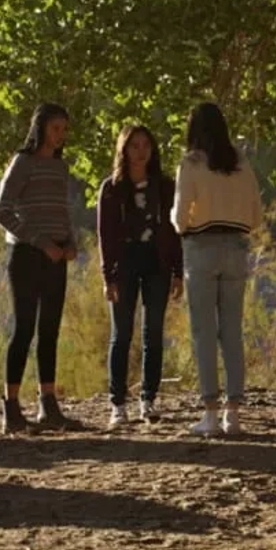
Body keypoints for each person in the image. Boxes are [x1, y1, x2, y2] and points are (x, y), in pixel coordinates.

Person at [172, 102, 263, 437]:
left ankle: (210, 412)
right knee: (232, 331)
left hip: (202, 248)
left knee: (204, 332)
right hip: (236, 247)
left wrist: (180, 223)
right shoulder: (241, 163)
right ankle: (233, 413)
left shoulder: (191, 163)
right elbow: (256, 216)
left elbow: (181, 216)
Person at [0, 102, 81, 434]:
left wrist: (70, 243)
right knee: (24, 329)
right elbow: (2, 212)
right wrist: (39, 241)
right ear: (41, 127)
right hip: (27, 256)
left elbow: (61, 210)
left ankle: (48, 405)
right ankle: (11, 408)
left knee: (50, 331)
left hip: (57, 258)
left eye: (65, 129)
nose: (61, 135)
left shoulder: (60, 168)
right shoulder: (22, 162)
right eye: (56, 128)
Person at [97, 123, 184, 428]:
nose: (141, 151)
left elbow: (175, 232)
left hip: (156, 262)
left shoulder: (165, 186)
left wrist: (177, 271)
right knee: (121, 335)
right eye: (134, 145)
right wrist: (108, 277)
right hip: (125, 263)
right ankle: (117, 404)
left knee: (154, 335)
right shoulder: (111, 188)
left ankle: (148, 400)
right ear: (124, 149)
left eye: (146, 145)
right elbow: (105, 235)